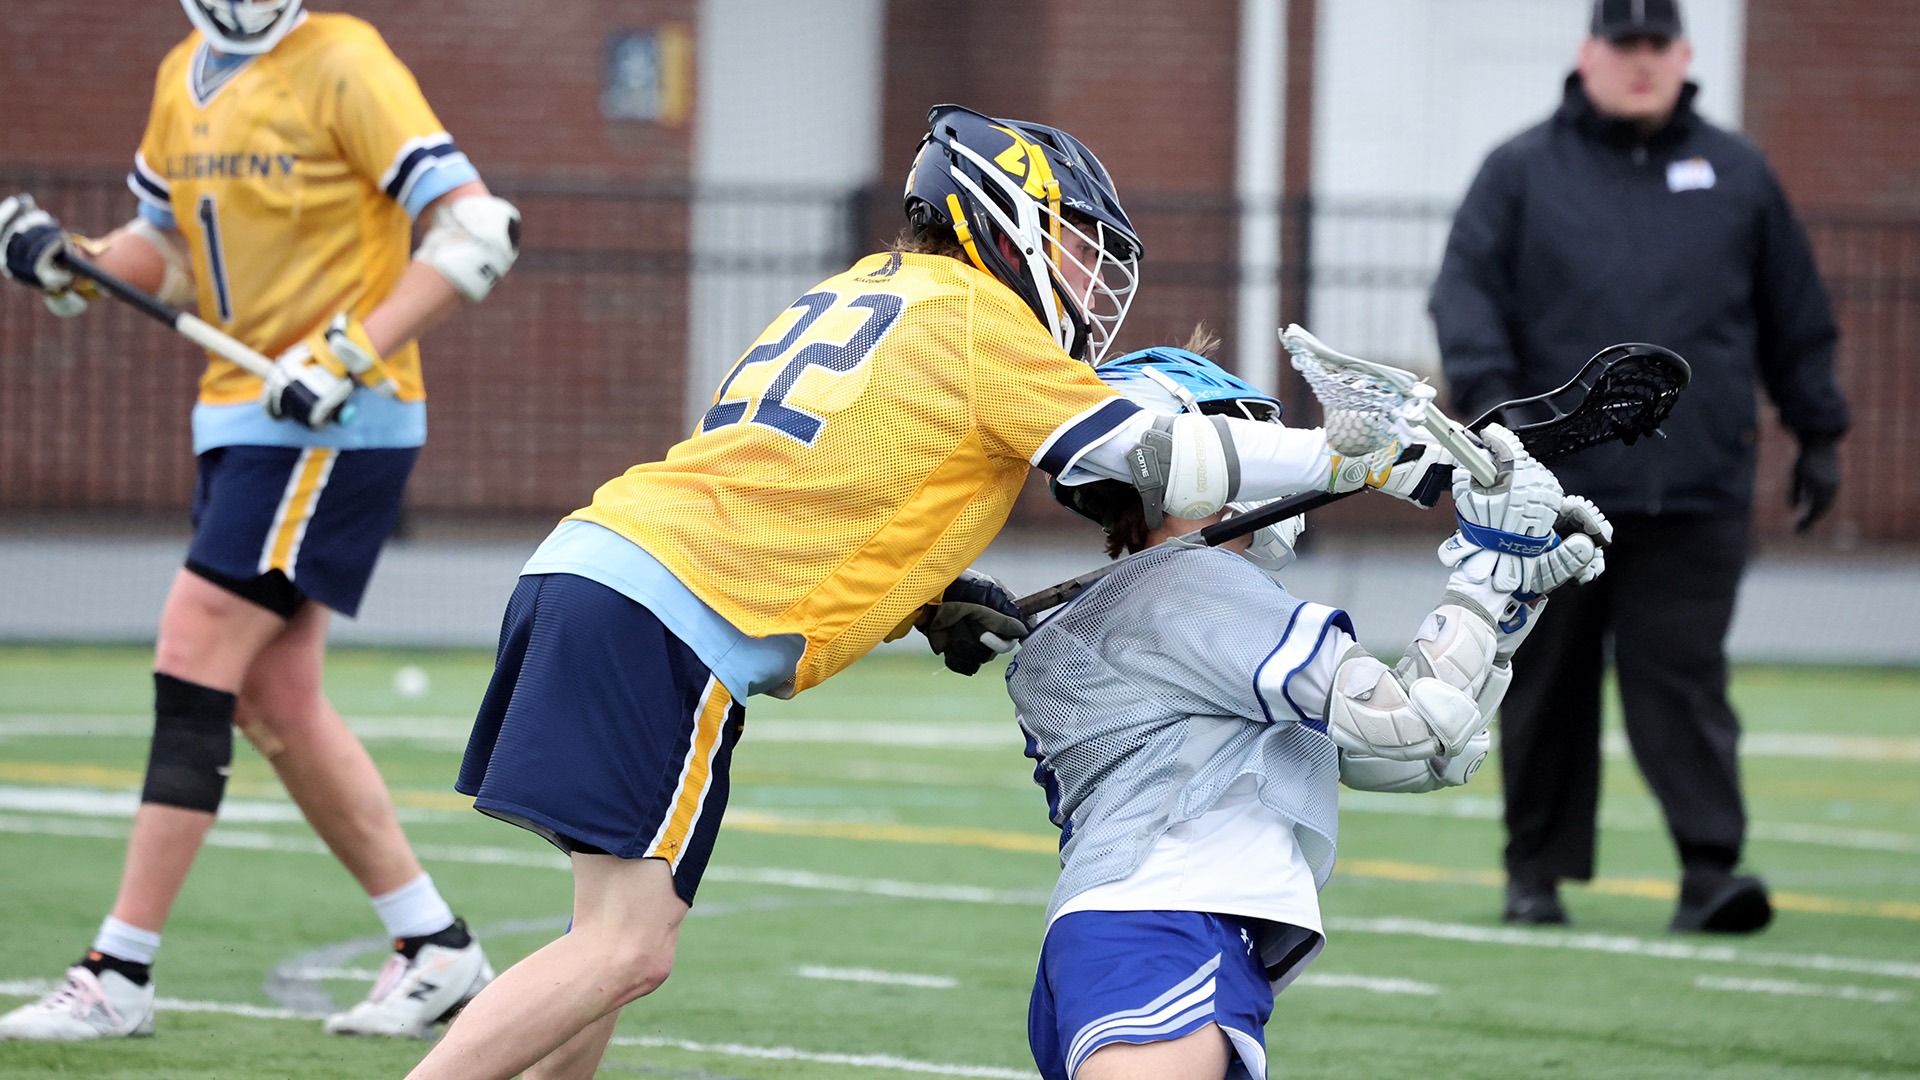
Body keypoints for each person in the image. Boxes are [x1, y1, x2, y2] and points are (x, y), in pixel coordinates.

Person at [405, 105, 1448, 1080]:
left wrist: (930, 594)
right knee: (627, 951)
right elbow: (1163, 455)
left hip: (598, 571)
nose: (1090, 283)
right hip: (670, 617)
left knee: (612, 941)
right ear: (1003, 218)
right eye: (1078, 245)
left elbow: (825, 482)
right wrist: (1350, 458)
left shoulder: (866, 287)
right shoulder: (983, 318)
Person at [0, 0, 518, 1040]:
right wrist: (80, 261)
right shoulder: (180, 74)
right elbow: (170, 251)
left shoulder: (344, 59)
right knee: (276, 695)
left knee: (195, 649)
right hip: (240, 416)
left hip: (335, 423)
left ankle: (119, 971)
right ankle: (435, 947)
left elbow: (476, 227)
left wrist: (345, 356)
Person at [1012, 345, 1612, 1080]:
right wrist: (1485, 566)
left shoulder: (1150, 598)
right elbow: (1413, 727)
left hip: (1139, 925)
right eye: (1248, 442)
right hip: (1162, 924)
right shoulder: (1191, 585)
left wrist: (1505, 597)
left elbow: (1404, 756)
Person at [1428, 0, 1851, 934]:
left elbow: (1795, 311)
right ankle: (1534, 872)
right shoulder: (1520, 170)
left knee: (1685, 681)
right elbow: (1464, 297)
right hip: (1554, 493)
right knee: (1545, 683)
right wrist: (1504, 420)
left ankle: (1710, 873)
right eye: (1625, 46)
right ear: (1588, 54)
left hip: (1697, 486)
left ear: (1685, 55)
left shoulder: (1738, 172)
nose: (1641, 63)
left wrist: (1819, 432)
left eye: (1657, 46)